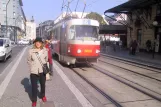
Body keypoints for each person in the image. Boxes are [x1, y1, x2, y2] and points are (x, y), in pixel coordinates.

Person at [27, 37, 48, 107]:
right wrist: (32, 67)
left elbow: (46, 59)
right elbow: (28, 60)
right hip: (34, 71)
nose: (38, 43)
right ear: (35, 43)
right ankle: (34, 100)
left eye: (39, 42)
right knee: (34, 87)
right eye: (37, 42)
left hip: (42, 71)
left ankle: (43, 95)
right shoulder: (31, 51)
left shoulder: (45, 50)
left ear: (41, 43)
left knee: (43, 85)